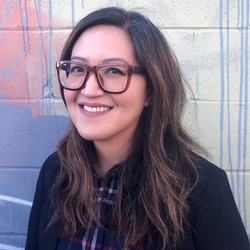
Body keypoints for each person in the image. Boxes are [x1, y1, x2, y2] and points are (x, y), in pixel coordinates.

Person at [25, 7, 250, 250]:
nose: (89, 90)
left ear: (151, 91)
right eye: (78, 68)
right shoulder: (55, 172)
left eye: (114, 71)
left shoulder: (201, 188)